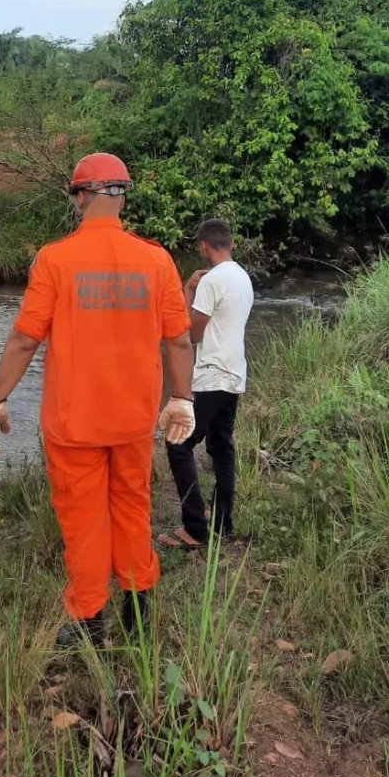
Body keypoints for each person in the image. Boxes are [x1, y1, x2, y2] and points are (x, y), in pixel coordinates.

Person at [0, 153, 195, 646]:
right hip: (134, 421)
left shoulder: (56, 259)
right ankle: (138, 609)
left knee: (82, 519)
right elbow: (179, 341)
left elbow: (23, 340)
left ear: (80, 197)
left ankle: (88, 620)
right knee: (132, 507)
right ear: (122, 196)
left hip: (74, 423)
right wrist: (181, 398)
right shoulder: (157, 259)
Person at [158, 218, 254, 549]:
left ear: (203, 246)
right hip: (235, 374)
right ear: (230, 244)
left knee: (178, 444)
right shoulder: (243, 278)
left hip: (211, 373)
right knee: (222, 446)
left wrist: (188, 290)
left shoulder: (212, 281)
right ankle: (222, 524)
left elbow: (189, 333)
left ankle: (195, 528)